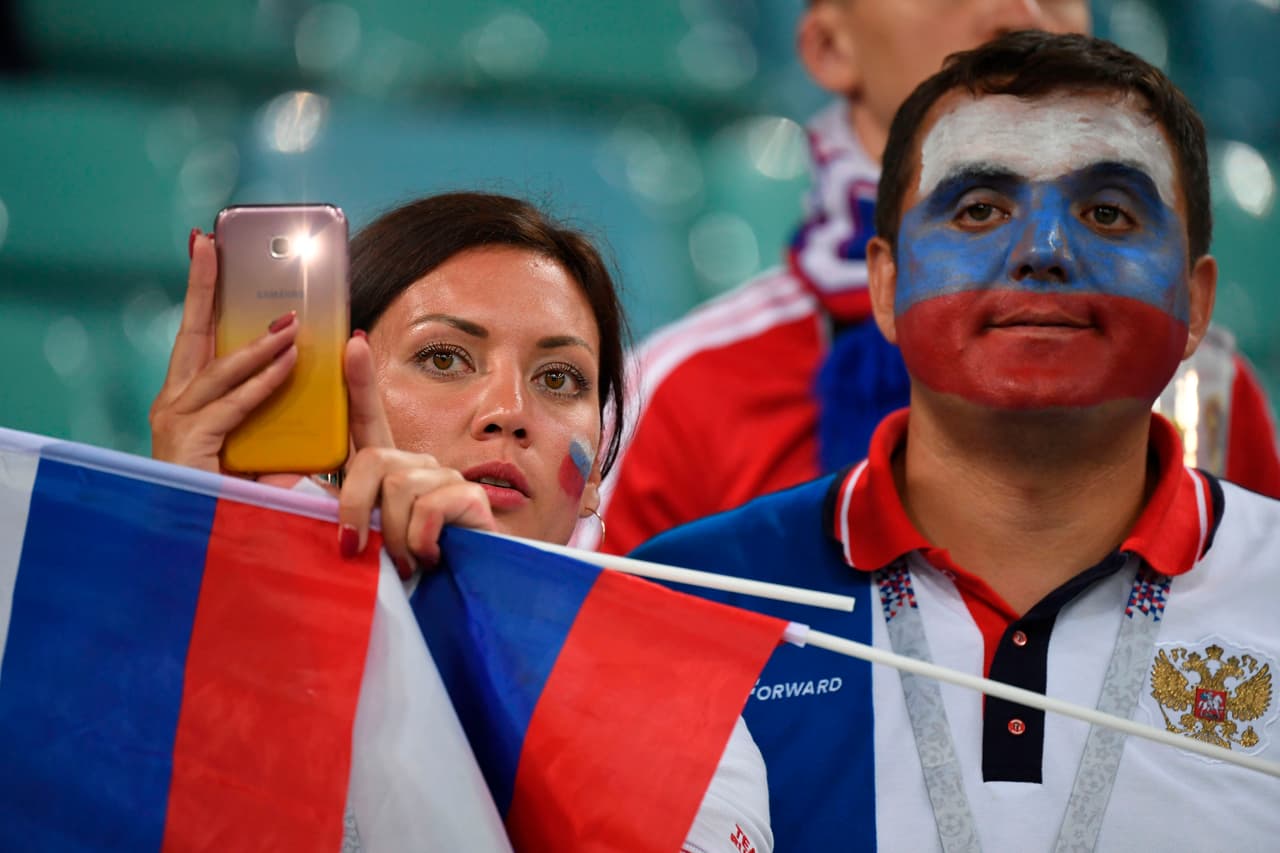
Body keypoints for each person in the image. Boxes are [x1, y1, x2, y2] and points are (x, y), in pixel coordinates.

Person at [633, 32, 1280, 851]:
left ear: (1196, 300)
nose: (1043, 252)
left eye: (1108, 212)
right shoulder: (685, 601)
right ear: (885, 284)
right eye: (979, 209)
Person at [149, 191, 772, 852]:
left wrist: (477, 614)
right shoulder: (214, 621)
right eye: (444, 358)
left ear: (594, 476)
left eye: (559, 378)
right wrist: (183, 579)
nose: (508, 409)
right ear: (334, 408)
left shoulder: (687, 713)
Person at [590, 0, 1280, 556]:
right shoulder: (673, 397)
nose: (1021, 13)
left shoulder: (1206, 391)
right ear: (831, 45)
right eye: (979, 210)